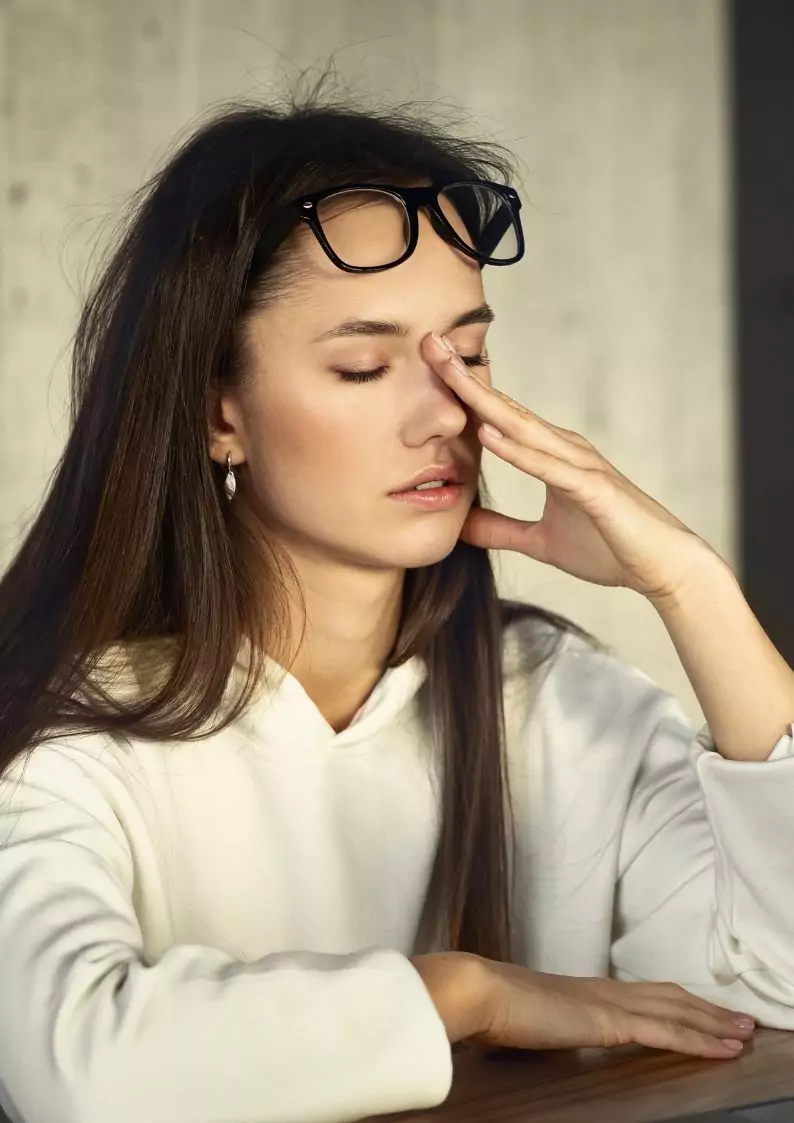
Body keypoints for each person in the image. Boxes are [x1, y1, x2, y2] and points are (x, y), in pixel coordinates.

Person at [0, 72, 793, 1123]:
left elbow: (768, 983)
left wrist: (690, 584)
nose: (446, 415)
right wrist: (464, 993)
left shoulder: (556, 700)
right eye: (365, 367)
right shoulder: (72, 736)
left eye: (467, 354)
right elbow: (84, 1077)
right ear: (218, 414)